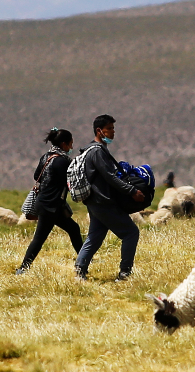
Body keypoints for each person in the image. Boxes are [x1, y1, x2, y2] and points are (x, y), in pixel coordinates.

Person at [74, 114, 144, 281]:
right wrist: (132, 191)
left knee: (96, 235)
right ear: (100, 131)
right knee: (131, 232)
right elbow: (110, 177)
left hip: (94, 201)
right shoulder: (97, 152)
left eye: (113, 128)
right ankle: (125, 273)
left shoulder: (92, 150)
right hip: (102, 201)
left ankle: (79, 269)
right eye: (109, 129)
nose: (113, 132)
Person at [16, 128, 83, 274]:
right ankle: (23, 268)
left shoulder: (46, 157)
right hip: (50, 207)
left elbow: (36, 176)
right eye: (71, 144)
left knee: (73, 229)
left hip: (47, 204)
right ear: (64, 144)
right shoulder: (62, 161)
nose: (72, 147)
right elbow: (71, 181)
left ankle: (84, 260)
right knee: (39, 238)